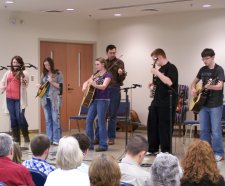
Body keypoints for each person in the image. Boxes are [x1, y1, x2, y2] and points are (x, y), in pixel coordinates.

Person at [191, 48, 224, 162]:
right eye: (203, 59)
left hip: (215, 104)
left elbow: (220, 86)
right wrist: (193, 89)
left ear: (213, 57)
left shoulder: (219, 70)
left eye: (207, 58)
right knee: (204, 130)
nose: (205, 61)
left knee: (215, 130)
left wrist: (210, 86)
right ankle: (206, 153)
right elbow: (194, 82)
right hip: (203, 104)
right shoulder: (202, 69)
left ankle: (219, 153)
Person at [147, 48, 178, 154]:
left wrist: (156, 72)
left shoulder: (171, 67)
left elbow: (169, 82)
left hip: (167, 103)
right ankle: (153, 149)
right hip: (157, 101)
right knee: (152, 125)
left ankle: (165, 150)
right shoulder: (160, 70)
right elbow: (159, 83)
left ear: (159, 57)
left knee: (164, 127)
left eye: (154, 60)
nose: (154, 62)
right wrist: (152, 85)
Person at [95, 44, 126, 146]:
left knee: (113, 115)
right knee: (101, 115)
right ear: (106, 53)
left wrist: (121, 73)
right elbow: (98, 74)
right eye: (110, 53)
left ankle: (111, 137)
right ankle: (98, 137)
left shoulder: (120, 62)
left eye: (114, 52)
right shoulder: (104, 62)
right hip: (103, 90)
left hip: (114, 89)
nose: (113, 54)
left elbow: (121, 79)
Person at [82, 57, 112, 152]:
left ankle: (103, 145)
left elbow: (103, 87)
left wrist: (94, 84)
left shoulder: (108, 74)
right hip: (94, 100)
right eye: (95, 64)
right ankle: (89, 144)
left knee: (101, 122)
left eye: (98, 64)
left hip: (103, 100)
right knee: (89, 120)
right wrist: (84, 86)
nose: (96, 66)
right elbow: (86, 82)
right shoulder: (95, 74)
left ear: (103, 64)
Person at [0, 55, 30, 143]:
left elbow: (26, 84)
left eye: (16, 62)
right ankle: (16, 138)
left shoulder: (24, 72)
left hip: (19, 99)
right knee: (13, 118)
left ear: (20, 63)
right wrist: (2, 86)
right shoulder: (8, 72)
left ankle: (25, 135)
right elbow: (2, 82)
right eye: (13, 62)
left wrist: (22, 79)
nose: (15, 64)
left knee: (20, 117)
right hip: (9, 98)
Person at [39, 57, 63, 145]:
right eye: (45, 65)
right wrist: (39, 86)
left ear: (51, 64)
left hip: (55, 100)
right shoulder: (43, 74)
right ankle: (49, 139)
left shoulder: (58, 73)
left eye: (48, 65)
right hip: (45, 100)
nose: (47, 67)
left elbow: (61, 87)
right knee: (48, 120)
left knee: (55, 119)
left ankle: (56, 139)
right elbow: (42, 86)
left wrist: (52, 81)